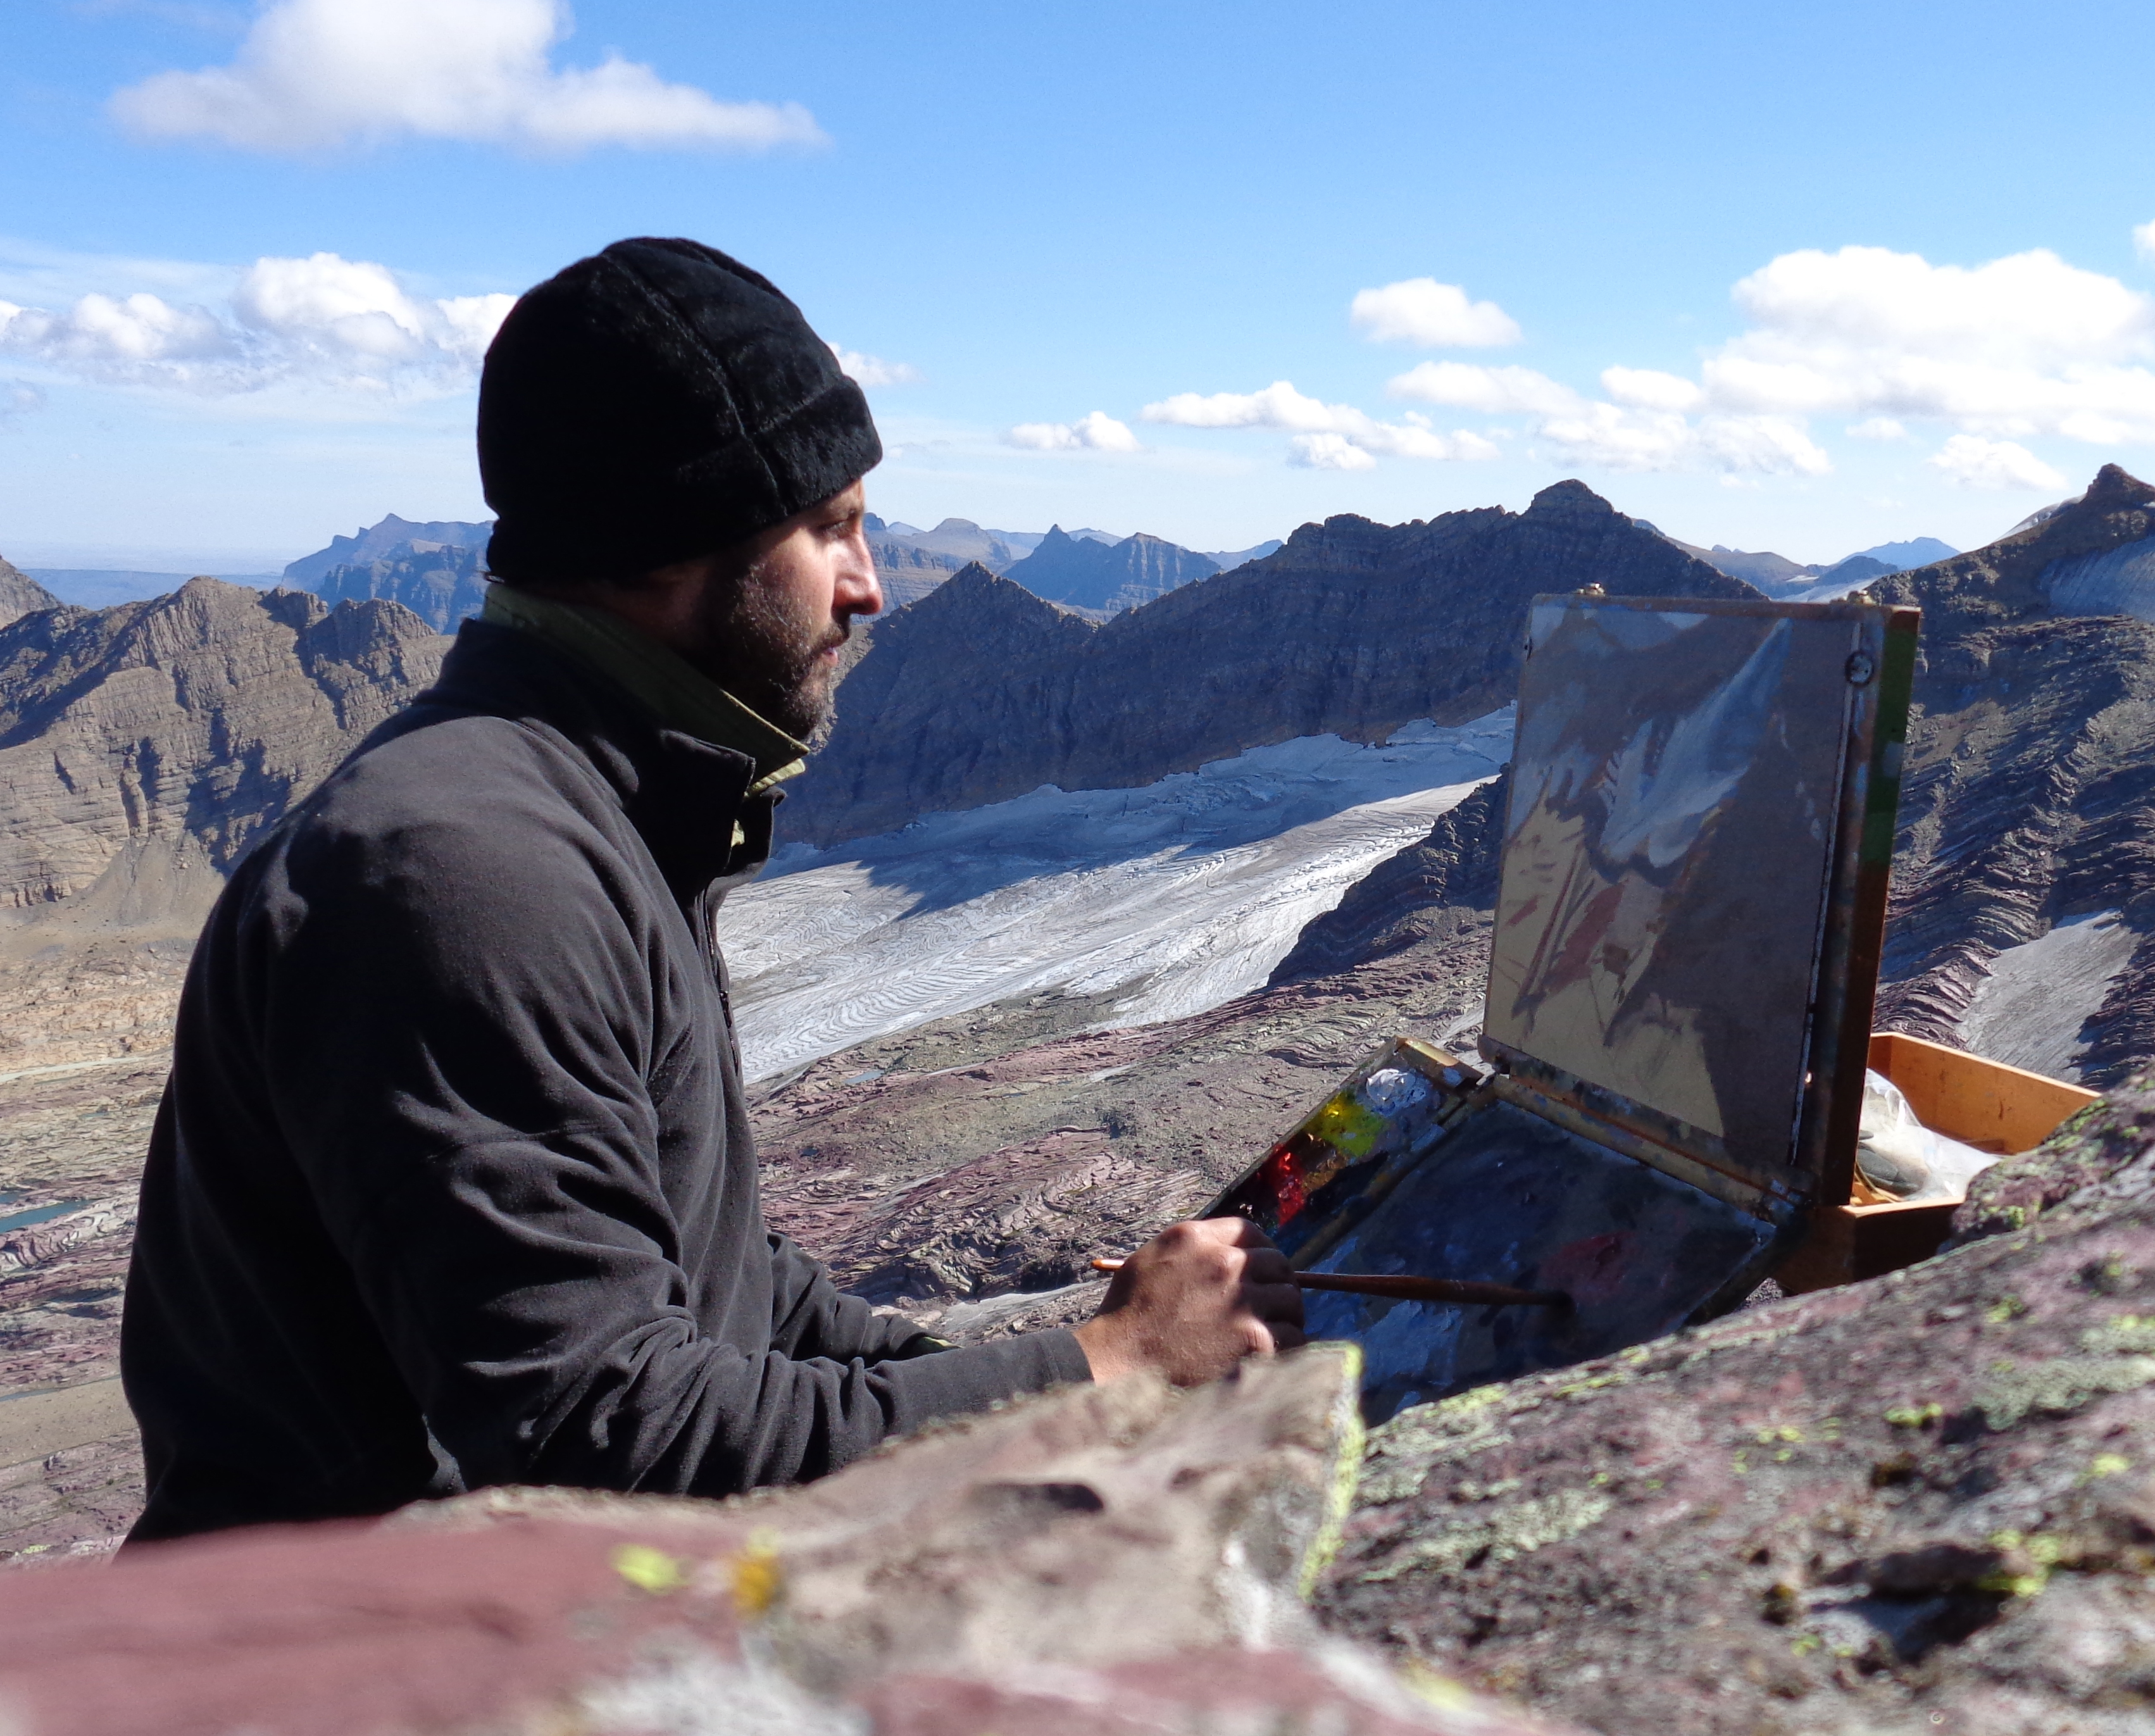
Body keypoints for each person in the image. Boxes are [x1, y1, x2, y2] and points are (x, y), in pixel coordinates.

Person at [119, 238, 1302, 1544]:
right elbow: (609, 1433)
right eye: (828, 529)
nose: (870, 586)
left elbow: (718, 1286)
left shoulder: (602, 804)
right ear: (653, 551)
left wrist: (1025, 1369)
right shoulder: (469, 875)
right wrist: (1107, 1372)